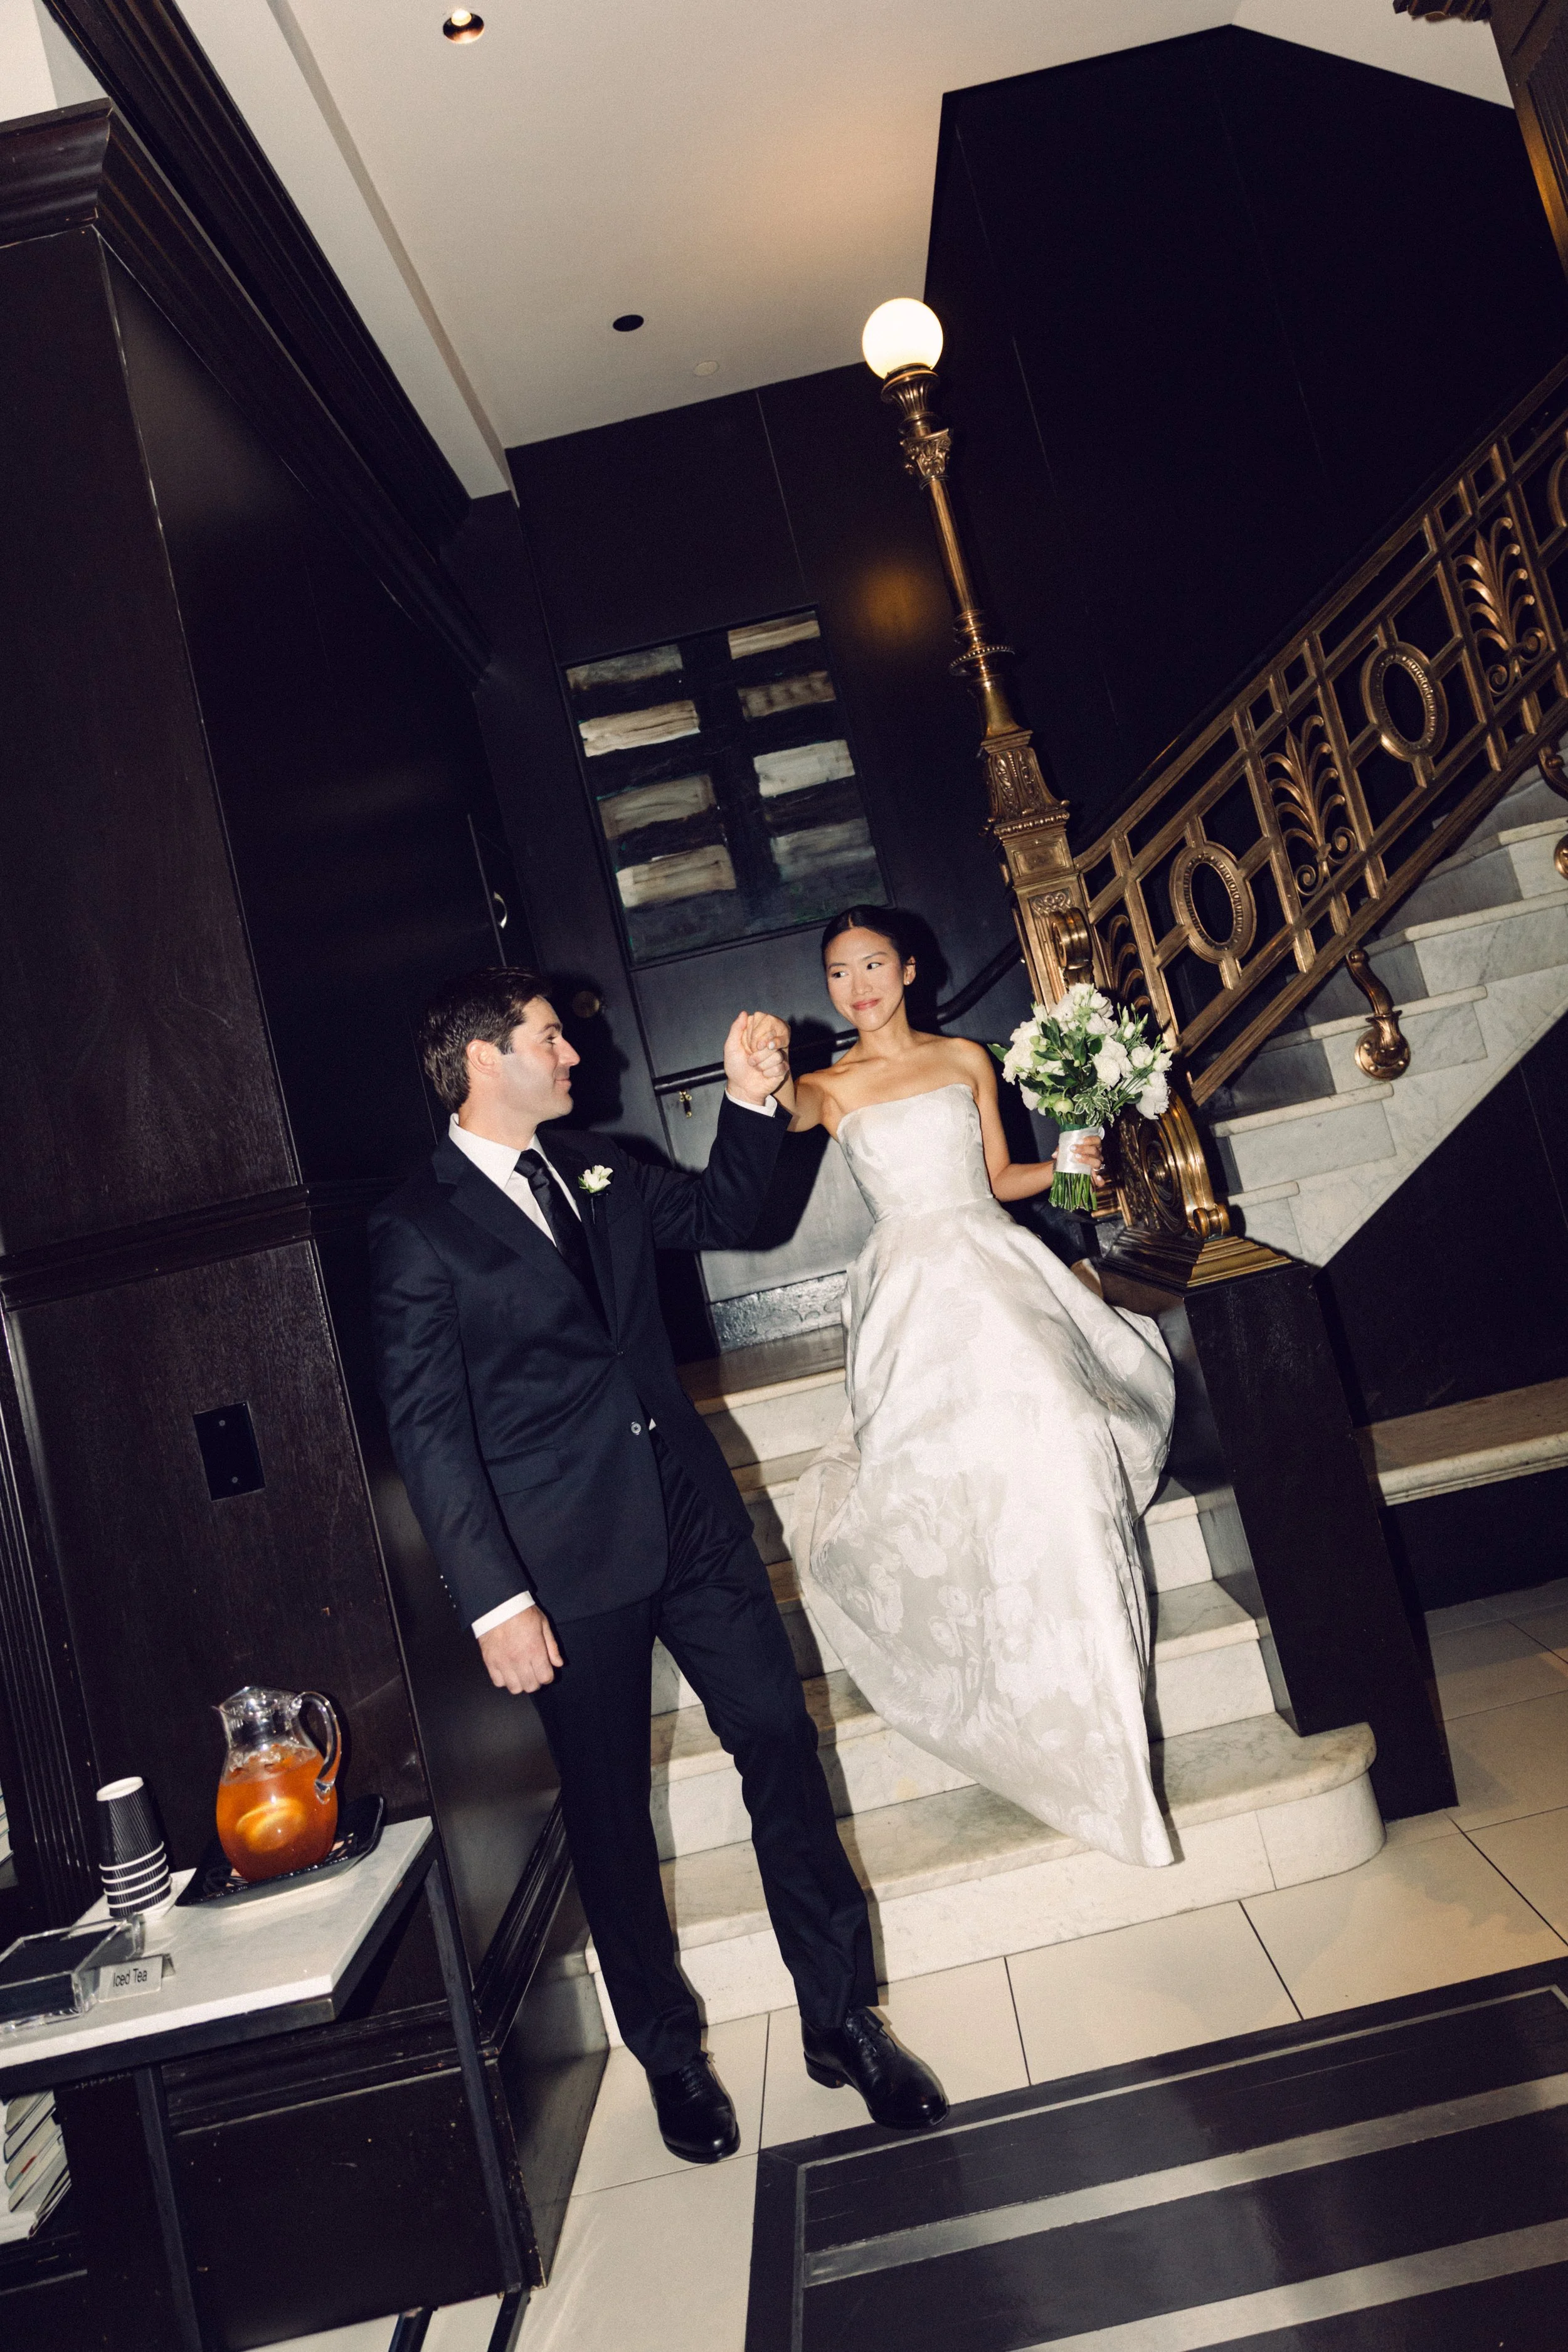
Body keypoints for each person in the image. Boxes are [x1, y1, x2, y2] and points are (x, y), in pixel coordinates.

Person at [369, 967, 947, 2164]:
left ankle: (843, 2019)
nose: (575, 1056)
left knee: (781, 1744)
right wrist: (497, 1600)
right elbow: (429, 1430)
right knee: (612, 1818)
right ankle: (672, 2053)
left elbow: (736, 1215)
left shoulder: (603, 1165)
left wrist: (752, 1102)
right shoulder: (417, 1227)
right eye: (549, 1040)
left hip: (691, 1517)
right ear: (485, 1060)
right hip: (560, 1564)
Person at [772, 908, 1177, 1870]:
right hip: (909, 1289)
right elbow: (777, 1110)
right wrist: (764, 1069)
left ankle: (1102, 1692)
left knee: (1069, 1435)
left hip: (992, 1262)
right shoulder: (827, 1087)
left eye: (874, 963)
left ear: (910, 967)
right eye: (839, 971)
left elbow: (997, 1177)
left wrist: (1070, 1159)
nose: (858, 984)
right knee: (940, 1474)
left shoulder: (964, 1058)